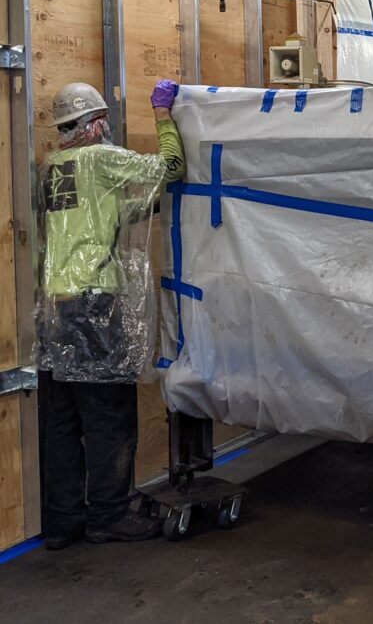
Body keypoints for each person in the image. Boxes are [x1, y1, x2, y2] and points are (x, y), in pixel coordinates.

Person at [39, 79, 186, 549]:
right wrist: (163, 117)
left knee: (63, 421)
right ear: (91, 123)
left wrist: (154, 205)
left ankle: (64, 523)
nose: (107, 128)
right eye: (103, 120)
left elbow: (106, 218)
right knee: (109, 416)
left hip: (56, 308)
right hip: (94, 305)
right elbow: (172, 166)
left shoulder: (53, 166)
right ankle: (108, 514)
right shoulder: (99, 157)